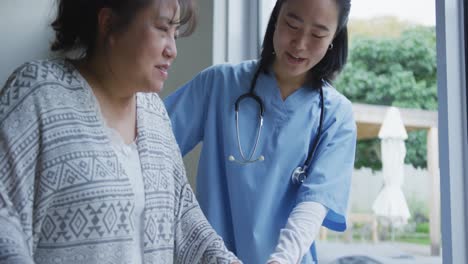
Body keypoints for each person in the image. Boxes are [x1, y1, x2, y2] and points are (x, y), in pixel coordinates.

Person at [0, 0, 241, 263]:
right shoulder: (38, 93)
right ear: (108, 23)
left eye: (176, 34)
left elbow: (185, 219)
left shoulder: (154, 113)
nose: (172, 50)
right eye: (162, 28)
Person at [164, 0, 356, 263]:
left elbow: (315, 202)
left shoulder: (336, 116)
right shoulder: (218, 84)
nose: (300, 44)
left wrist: (282, 259)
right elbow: (151, 145)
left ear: (334, 38)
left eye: (318, 34)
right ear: (276, 18)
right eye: (292, 24)